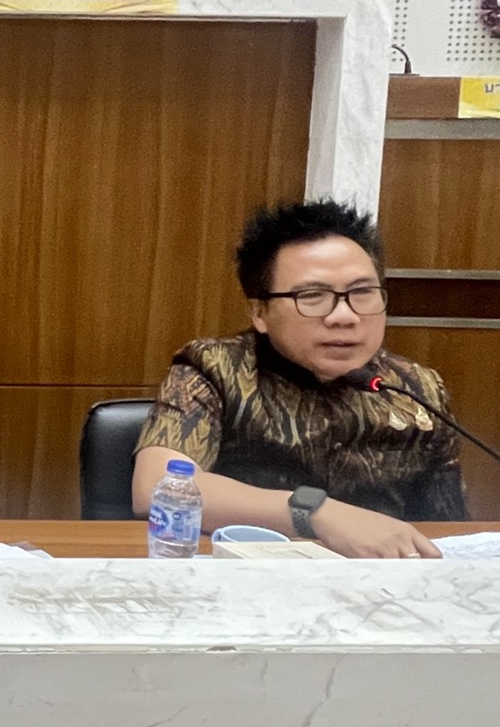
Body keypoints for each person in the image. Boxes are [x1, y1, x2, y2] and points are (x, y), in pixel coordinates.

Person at [131, 199, 466, 558]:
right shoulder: (216, 368)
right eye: (313, 296)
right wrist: (314, 513)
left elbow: (446, 530)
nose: (344, 316)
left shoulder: (416, 389)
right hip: (251, 573)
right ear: (260, 312)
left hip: (380, 580)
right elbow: (157, 487)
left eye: (362, 293)